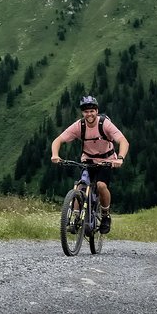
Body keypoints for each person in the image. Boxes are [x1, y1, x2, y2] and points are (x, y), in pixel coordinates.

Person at [50, 95, 129, 234]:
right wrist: (55, 155)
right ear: (82, 113)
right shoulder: (79, 125)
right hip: (88, 160)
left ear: (97, 111)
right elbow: (57, 141)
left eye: (92, 111)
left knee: (101, 185)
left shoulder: (104, 124)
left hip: (107, 160)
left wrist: (120, 158)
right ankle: (75, 217)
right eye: (86, 111)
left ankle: (105, 215)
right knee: (81, 186)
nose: (89, 114)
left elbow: (123, 141)